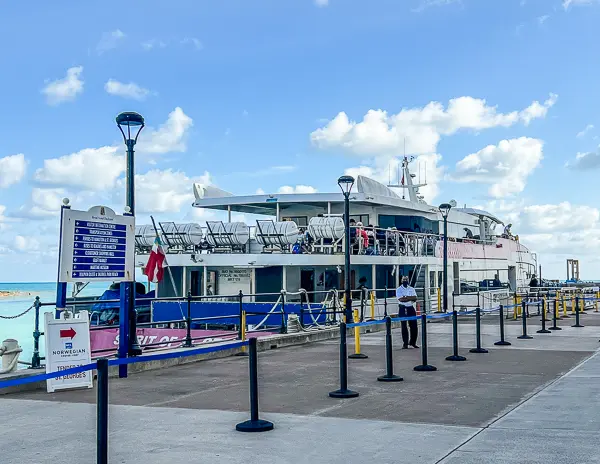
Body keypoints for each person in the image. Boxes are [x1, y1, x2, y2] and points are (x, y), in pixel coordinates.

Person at [396, 275, 418, 349]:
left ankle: (413, 342)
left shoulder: (411, 288)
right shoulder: (398, 289)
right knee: (404, 326)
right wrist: (409, 298)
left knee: (414, 326)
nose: (405, 281)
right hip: (402, 308)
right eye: (404, 279)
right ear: (401, 281)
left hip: (410, 308)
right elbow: (401, 299)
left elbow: (415, 298)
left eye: (406, 279)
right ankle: (405, 343)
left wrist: (406, 297)